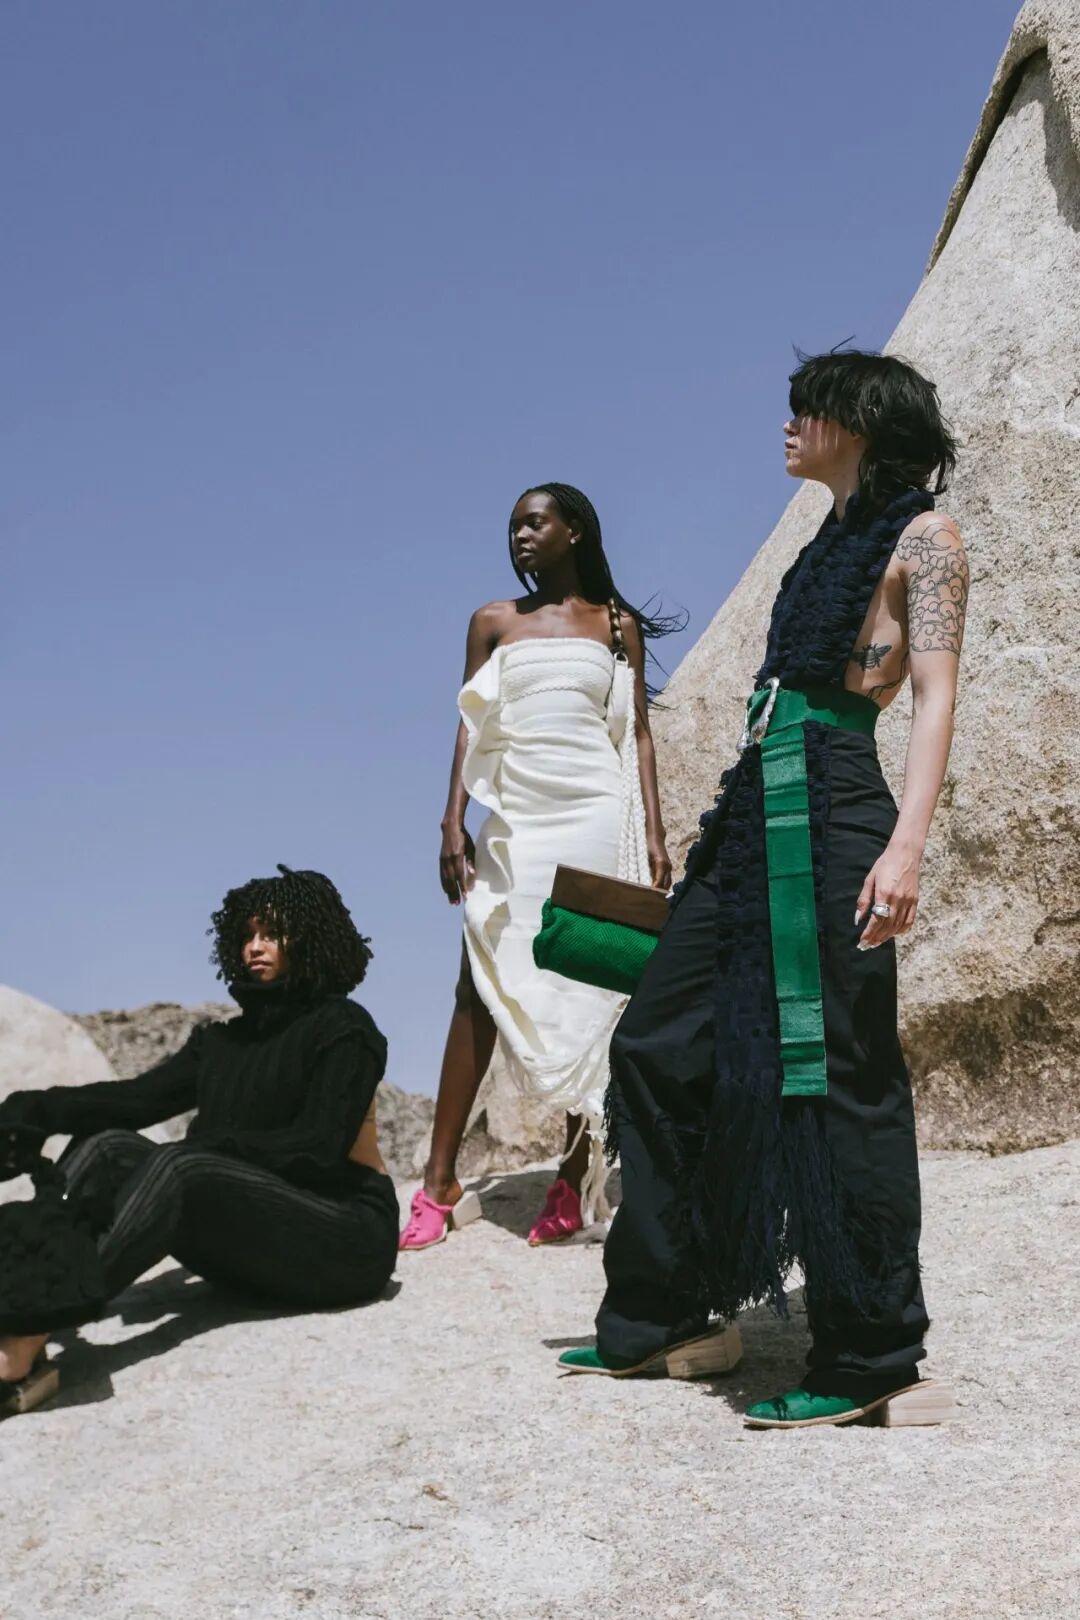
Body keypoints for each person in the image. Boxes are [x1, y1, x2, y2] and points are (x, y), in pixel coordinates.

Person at [560, 351, 968, 1428]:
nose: (789, 424)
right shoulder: (820, 542)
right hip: (750, 811)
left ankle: (874, 1354)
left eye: (809, 407)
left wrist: (907, 848)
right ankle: (669, 1310)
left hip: (835, 810)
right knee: (657, 1042)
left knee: (838, 1072)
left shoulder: (925, 537)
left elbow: (934, 696)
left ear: (862, 420)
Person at [0, 865, 398, 1415]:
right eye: (247, 935)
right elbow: (133, 1101)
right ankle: (12, 1296)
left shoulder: (344, 1029)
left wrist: (208, 1150)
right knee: (109, 1144)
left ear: (307, 940)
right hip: (253, 1245)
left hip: (343, 1237)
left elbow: (317, 1148)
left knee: (181, 1166)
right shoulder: (224, 1042)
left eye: (272, 933)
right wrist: (34, 1112)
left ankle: (23, 1340)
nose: (255, 947)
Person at [400, 483, 678, 1251]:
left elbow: (638, 734)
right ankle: (438, 1183)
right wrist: (452, 818)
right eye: (513, 527)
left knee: (589, 986)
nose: (520, 536)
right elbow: (469, 727)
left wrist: (654, 832)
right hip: (516, 821)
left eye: (534, 522)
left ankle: (574, 1173)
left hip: (592, 815)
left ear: (575, 530)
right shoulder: (493, 621)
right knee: (477, 984)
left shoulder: (615, 624)